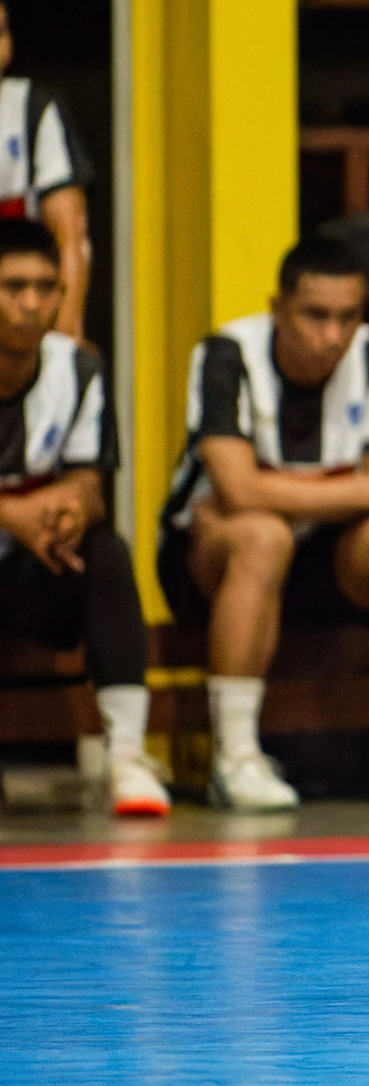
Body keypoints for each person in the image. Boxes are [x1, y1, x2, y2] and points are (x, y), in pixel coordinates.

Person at [157, 239, 369, 811]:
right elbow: (237, 492)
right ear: (278, 308)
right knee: (262, 534)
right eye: (316, 316)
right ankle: (235, 757)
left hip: (326, 558)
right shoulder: (227, 355)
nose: (333, 335)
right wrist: (362, 490)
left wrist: (274, 488)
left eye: (347, 317)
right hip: (214, 559)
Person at [0, 218, 166, 814]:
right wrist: (12, 513)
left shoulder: (77, 369)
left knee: (105, 551)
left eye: (46, 288)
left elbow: (90, 485)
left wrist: (67, 514)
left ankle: (126, 756)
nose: (31, 303)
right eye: (14, 287)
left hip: (34, 572)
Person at [0, 0, 93, 338]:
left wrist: (65, 339)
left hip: (19, 312)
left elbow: (70, 236)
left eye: (1, 32)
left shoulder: (31, 108)